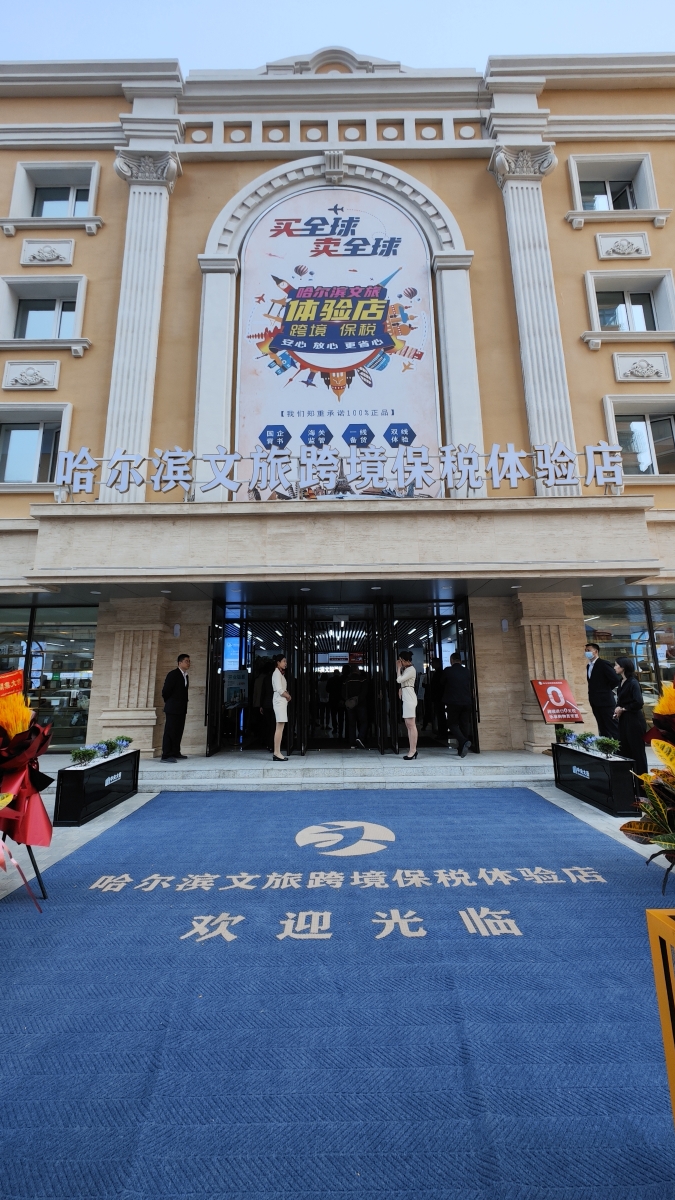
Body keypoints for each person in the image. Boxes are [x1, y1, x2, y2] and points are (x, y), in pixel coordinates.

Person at [614, 656, 648, 778]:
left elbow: (638, 702)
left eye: (616, 665)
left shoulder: (633, 682)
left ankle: (642, 783)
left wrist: (623, 709)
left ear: (623, 667)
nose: (614, 667)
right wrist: (617, 709)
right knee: (624, 751)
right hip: (624, 720)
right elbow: (620, 700)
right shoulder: (621, 681)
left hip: (634, 720)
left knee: (637, 752)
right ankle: (628, 782)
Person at [442, 651, 473, 757]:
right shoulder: (467, 671)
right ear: (461, 660)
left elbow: (442, 683)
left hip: (453, 701)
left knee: (452, 724)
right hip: (467, 701)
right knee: (464, 725)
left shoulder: (448, 671)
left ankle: (464, 741)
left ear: (451, 660)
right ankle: (461, 749)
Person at [585, 642, 619, 738]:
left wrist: (605, 690)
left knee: (612, 726)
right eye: (585, 650)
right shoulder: (589, 666)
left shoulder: (603, 664)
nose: (586, 652)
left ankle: (620, 746)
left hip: (605, 701)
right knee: (602, 726)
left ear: (595, 651)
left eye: (588, 650)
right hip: (595, 701)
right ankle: (606, 745)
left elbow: (615, 680)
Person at [161, 653, 190, 763]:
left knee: (178, 730)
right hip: (172, 708)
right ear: (180, 662)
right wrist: (170, 702)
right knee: (170, 731)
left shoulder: (186, 675)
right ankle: (166, 755)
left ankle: (175, 751)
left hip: (181, 708)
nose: (188, 663)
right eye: (186, 661)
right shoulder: (173, 674)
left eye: (189, 661)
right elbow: (165, 691)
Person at [396, 649, 418, 760]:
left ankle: (413, 750)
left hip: (409, 698)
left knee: (411, 725)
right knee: (408, 725)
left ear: (405, 660)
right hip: (407, 697)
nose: (400, 662)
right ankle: (412, 749)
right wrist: (401, 689)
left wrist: (398, 668)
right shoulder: (407, 669)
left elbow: (399, 680)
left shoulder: (411, 670)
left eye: (401, 660)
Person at [271, 653, 291, 761]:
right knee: (279, 728)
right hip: (279, 701)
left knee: (280, 727)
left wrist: (286, 695)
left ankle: (277, 752)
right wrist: (288, 696)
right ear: (278, 662)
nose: (285, 663)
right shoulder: (276, 673)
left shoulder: (279, 673)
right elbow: (279, 689)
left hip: (280, 701)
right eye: (284, 661)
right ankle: (277, 753)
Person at [343, 665, 369, 749]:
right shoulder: (362, 680)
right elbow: (365, 692)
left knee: (351, 724)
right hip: (361, 704)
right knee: (364, 722)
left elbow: (343, 692)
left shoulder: (347, 680)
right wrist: (358, 700)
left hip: (350, 704)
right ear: (357, 670)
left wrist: (348, 700)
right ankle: (360, 738)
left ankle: (352, 743)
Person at [424, 656, 447, 740]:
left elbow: (438, 686)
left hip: (439, 697)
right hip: (438, 697)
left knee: (440, 715)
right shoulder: (438, 672)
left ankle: (442, 733)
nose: (432, 664)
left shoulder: (439, 673)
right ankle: (442, 732)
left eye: (433, 663)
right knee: (440, 715)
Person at [327, 668, 344, 740]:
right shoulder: (341, 680)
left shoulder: (330, 680)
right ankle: (341, 730)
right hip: (340, 700)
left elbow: (327, 689)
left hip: (333, 700)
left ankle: (335, 728)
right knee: (341, 717)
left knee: (333, 715)